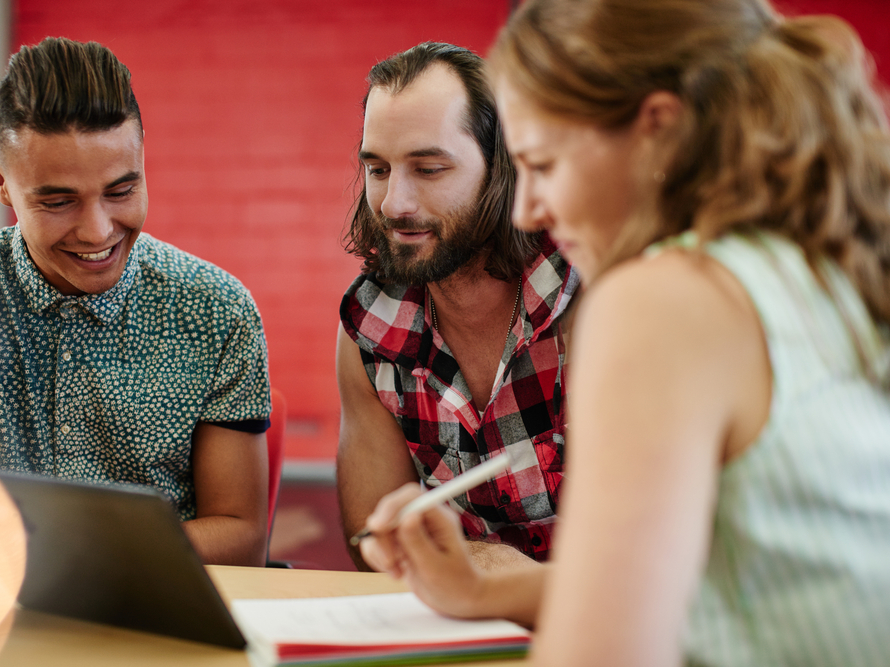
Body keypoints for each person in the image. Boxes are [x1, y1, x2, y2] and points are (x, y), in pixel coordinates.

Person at [359, 1, 890, 665]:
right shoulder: (827, 266)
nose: (527, 209)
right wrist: (478, 587)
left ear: (659, 131)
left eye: (544, 164)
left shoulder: (663, 299)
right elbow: (725, 584)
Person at [0, 37, 271, 567]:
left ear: (142, 161)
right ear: (0, 180)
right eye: (58, 200)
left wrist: (75, 555)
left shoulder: (217, 311)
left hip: (160, 617)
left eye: (121, 191)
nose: (97, 231)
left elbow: (241, 537)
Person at [336, 42, 579, 570]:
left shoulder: (584, 303)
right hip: (452, 630)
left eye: (428, 169)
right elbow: (373, 547)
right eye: (377, 169)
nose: (394, 204)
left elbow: (638, 558)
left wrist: (480, 570)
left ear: (502, 169)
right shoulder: (372, 324)